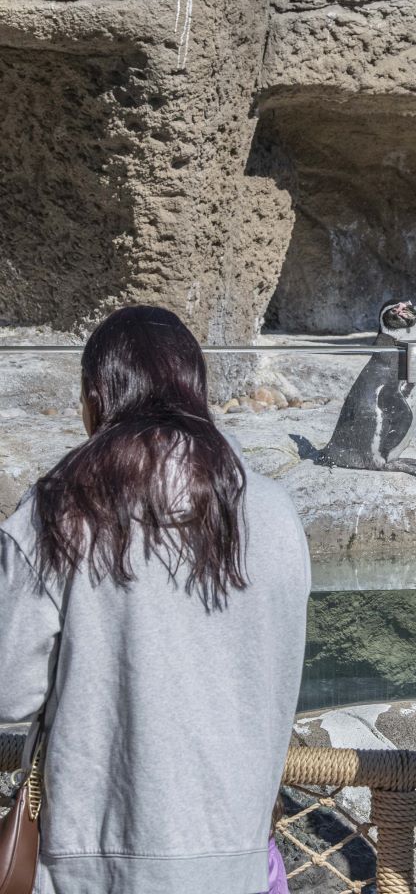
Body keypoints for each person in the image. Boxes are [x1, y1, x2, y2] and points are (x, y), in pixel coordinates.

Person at [0, 306, 311, 894]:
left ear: (98, 395)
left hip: (91, 863)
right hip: (235, 859)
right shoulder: (273, 511)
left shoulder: (58, 509)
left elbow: (9, 690)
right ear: (196, 389)